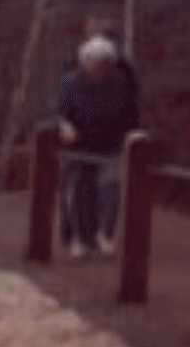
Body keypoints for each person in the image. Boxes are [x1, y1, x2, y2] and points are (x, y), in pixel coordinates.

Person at [55, 32, 142, 257]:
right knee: (76, 191)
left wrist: (131, 136)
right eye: (94, 64)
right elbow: (58, 112)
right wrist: (64, 126)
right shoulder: (70, 82)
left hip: (111, 144)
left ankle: (103, 234)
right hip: (78, 145)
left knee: (110, 188)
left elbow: (132, 114)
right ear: (85, 63)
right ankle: (77, 237)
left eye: (104, 65)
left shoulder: (122, 83)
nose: (99, 70)